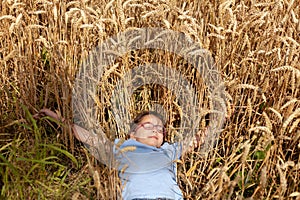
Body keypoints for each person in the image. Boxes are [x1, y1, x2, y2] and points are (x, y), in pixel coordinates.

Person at [34, 109, 205, 200]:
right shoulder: (124, 146)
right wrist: (57, 118)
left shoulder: (168, 150)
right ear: (132, 133)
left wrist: (223, 119)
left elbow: (197, 139)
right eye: (148, 126)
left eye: (160, 128)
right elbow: (90, 138)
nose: (155, 130)